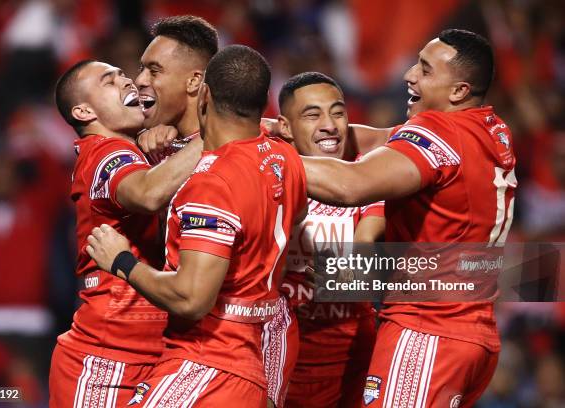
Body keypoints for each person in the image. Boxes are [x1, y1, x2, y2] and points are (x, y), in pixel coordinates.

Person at [301, 29, 517, 407]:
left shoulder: (438, 130)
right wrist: (282, 133)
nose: (409, 75)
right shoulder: (490, 129)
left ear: (458, 92)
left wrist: (256, 156)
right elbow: (386, 139)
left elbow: (351, 185)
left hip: (427, 331)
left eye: (426, 70)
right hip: (472, 334)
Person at [86, 45, 307, 407]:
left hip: (207, 360)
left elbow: (190, 298)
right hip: (260, 351)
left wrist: (122, 261)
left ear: (203, 92)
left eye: (154, 70)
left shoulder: (211, 182)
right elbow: (292, 219)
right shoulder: (283, 156)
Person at [49, 60, 202, 407]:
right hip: (108, 358)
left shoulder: (138, 153)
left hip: (157, 351)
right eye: (109, 81)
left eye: (123, 75)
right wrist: (219, 131)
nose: (129, 82)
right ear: (84, 110)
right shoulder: (106, 153)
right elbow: (148, 194)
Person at [263, 72, 384, 408]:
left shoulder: (368, 176)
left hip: (352, 359)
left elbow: (368, 240)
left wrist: (351, 274)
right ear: (285, 127)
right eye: (313, 115)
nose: (330, 125)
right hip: (280, 356)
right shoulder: (267, 176)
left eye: (338, 112)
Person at [135, 15, 218, 160]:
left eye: (154, 71)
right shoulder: (150, 148)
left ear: (193, 81)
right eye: (141, 69)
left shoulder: (232, 149)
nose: (139, 80)